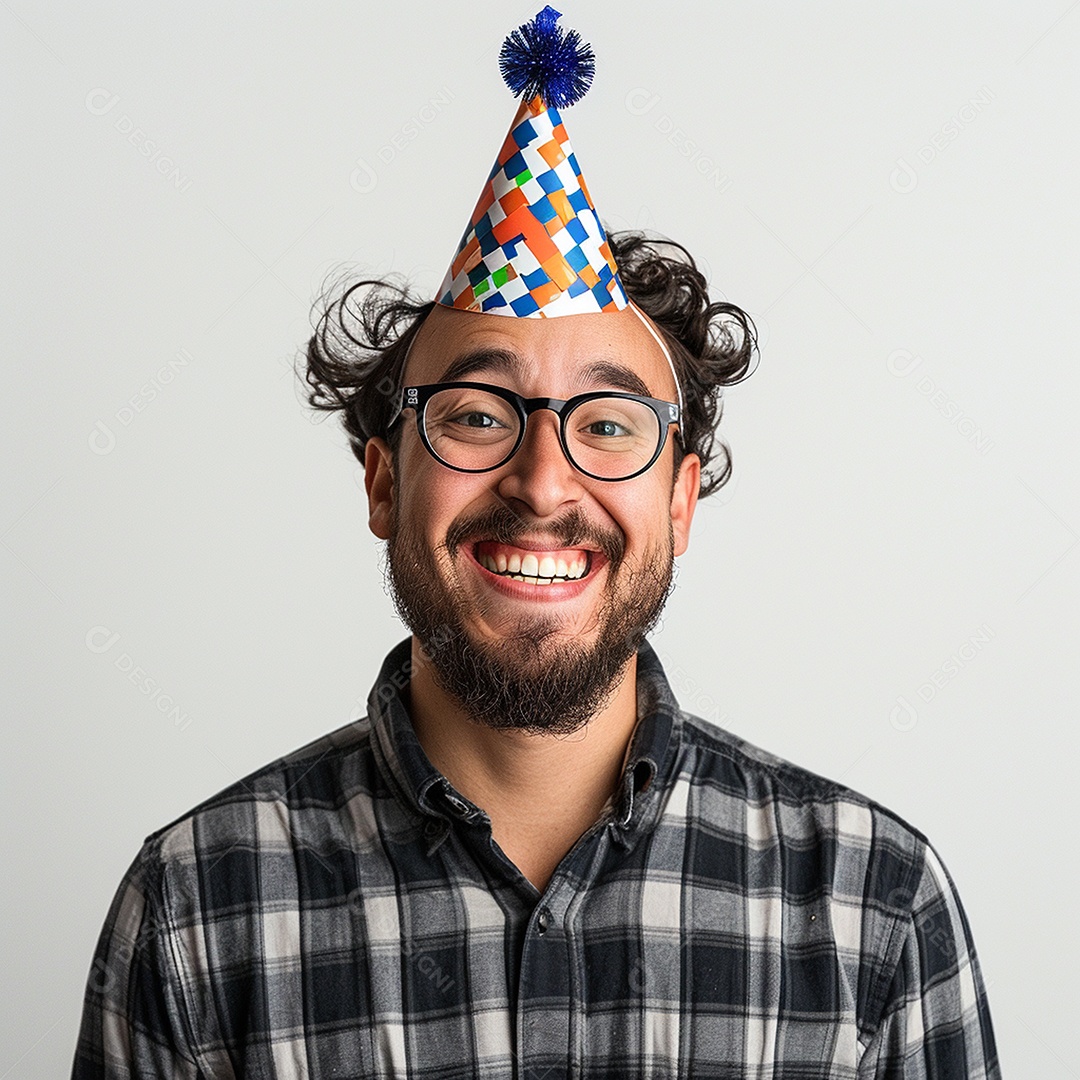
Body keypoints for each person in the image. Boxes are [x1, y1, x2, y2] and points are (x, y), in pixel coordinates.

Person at [72, 9, 1000, 1078]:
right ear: (384, 480)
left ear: (681, 501)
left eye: (608, 425)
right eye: (476, 415)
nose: (545, 482)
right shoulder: (197, 912)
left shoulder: (874, 912)